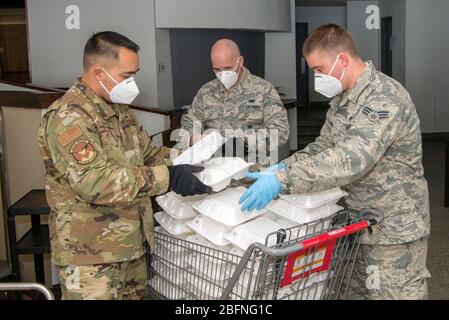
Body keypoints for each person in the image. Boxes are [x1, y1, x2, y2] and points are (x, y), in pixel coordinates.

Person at [239, 24, 431, 300]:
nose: (316, 77)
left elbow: (352, 157)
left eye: (318, 69)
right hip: (357, 223)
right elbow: (324, 146)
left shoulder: (385, 96)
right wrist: (285, 166)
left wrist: (283, 180)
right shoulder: (343, 99)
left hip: (393, 229)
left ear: (342, 60)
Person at [37, 31, 211, 300]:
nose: (132, 83)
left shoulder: (119, 112)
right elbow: (96, 183)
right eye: (126, 76)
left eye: (134, 74)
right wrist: (169, 177)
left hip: (131, 246)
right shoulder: (69, 118)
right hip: (91, 259)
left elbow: (148, 154)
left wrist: (190, 158)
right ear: (98, 73)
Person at [180, 39, 290, 165]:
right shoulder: (206, 92)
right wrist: (193, 138)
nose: (222, 74)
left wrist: (246, 142)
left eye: (227, 68)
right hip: (215, 171)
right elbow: (188, 125)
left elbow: (280, 131)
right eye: (217, 69)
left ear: (240, 61)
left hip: (252, 172)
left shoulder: (264, 90)